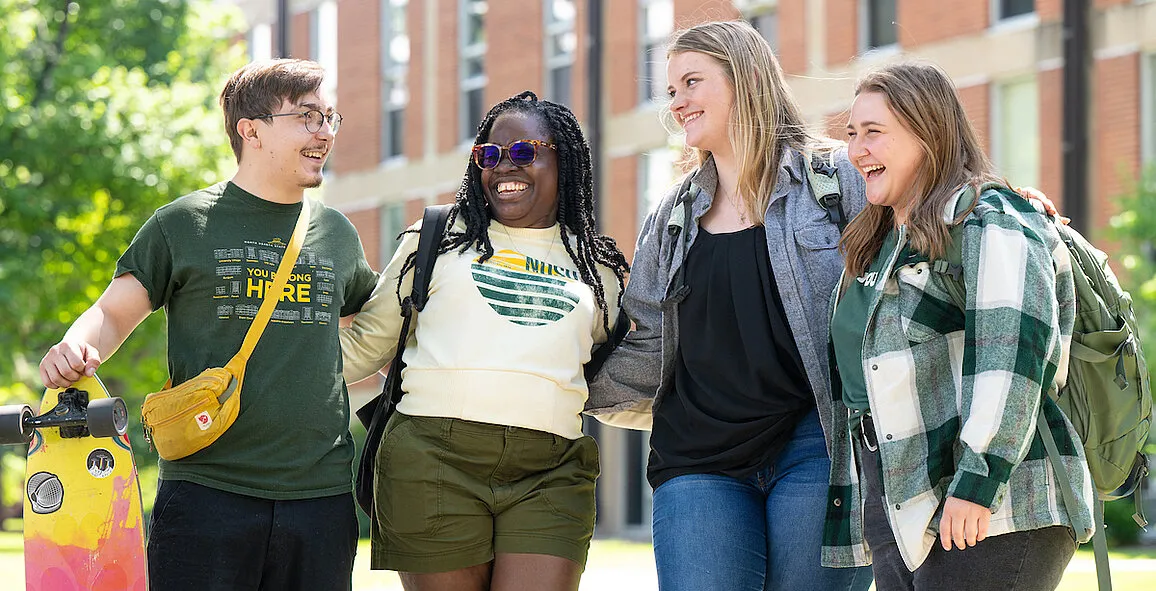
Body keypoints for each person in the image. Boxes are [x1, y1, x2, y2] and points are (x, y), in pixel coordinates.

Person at [38, 59, 379, 590]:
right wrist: (74, 346)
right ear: (251, 130)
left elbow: (382, 317)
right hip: (206, 494)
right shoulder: (182, 223)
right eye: (308, 117)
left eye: (330, 117)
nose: (324, 133)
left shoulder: (335, 232)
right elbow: (111, 312)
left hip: (319, 498)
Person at [585, 20, 874, 591]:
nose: (678, 103)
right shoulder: (670, 217)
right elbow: (644, 342)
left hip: (820, 444)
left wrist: (993, 199)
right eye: (671, 91)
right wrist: (550, 379)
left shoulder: (837, 179)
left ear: (744, 80)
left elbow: (924, 233)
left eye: (692, 83)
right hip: (698, 457)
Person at [340, 91, 630, 591]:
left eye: (523, 152)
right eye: (489, 155)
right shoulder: (437, 239)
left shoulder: (598, 266)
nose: (502, 167)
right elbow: (366, 346)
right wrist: (257, 364)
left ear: (563, 157)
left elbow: (623, 372)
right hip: (433, 458)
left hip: (552, 468)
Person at [824, 61, 1094, 590]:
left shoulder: (989, 217)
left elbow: (1014, 352)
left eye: (874, 133)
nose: (857, 150)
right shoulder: (880, 242)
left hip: (995, 499)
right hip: (899, 493)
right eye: (852, 134)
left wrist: (978, 480)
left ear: (928, 133)